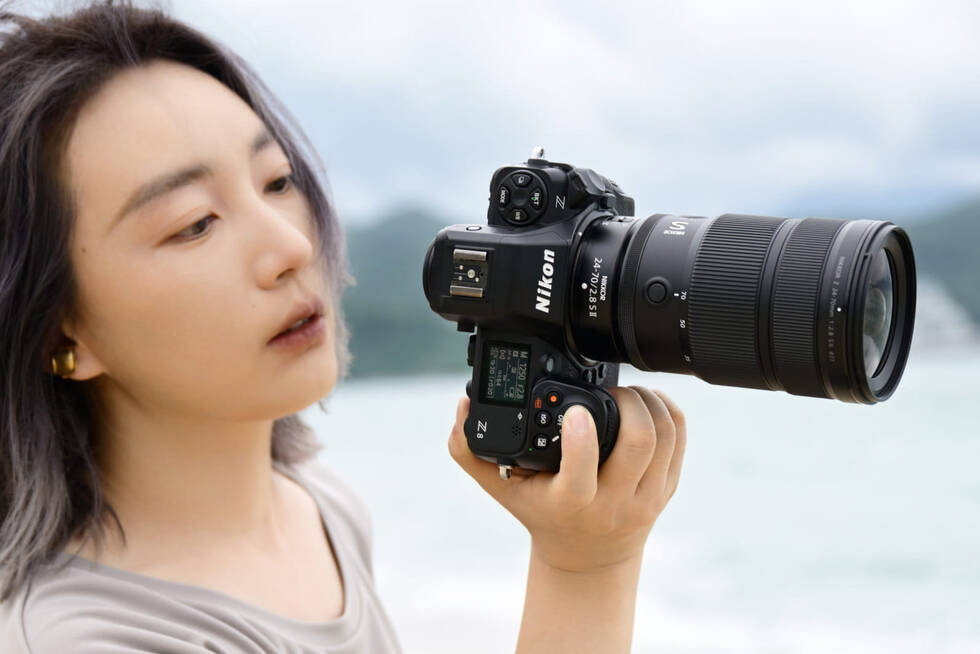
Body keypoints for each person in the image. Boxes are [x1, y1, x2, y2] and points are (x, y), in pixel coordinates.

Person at [0, 1, 687, 652]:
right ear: (59, 330)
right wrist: (584, 569)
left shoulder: (320, 505)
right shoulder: (79, 639)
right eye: (194, 223)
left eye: (277, 182)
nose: (292, 246)